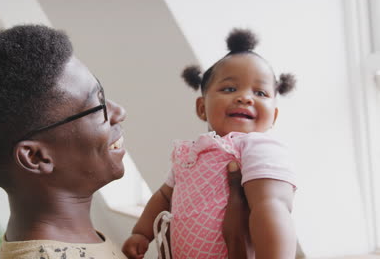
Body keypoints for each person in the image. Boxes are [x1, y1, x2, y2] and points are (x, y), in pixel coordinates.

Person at [0, 24, 129, 259]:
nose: (119, 112)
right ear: (36, 157)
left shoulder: (72, 239)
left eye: (102, 94)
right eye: (97, 107)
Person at [123, 28, 297, 259]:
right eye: (229, 89)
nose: (245, 97)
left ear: (273, 116)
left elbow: (272, 206)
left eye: (261, 92)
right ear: (202, 108)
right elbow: (164, 197)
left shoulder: (257, 147)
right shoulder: (190, 154)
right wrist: (142, 233)